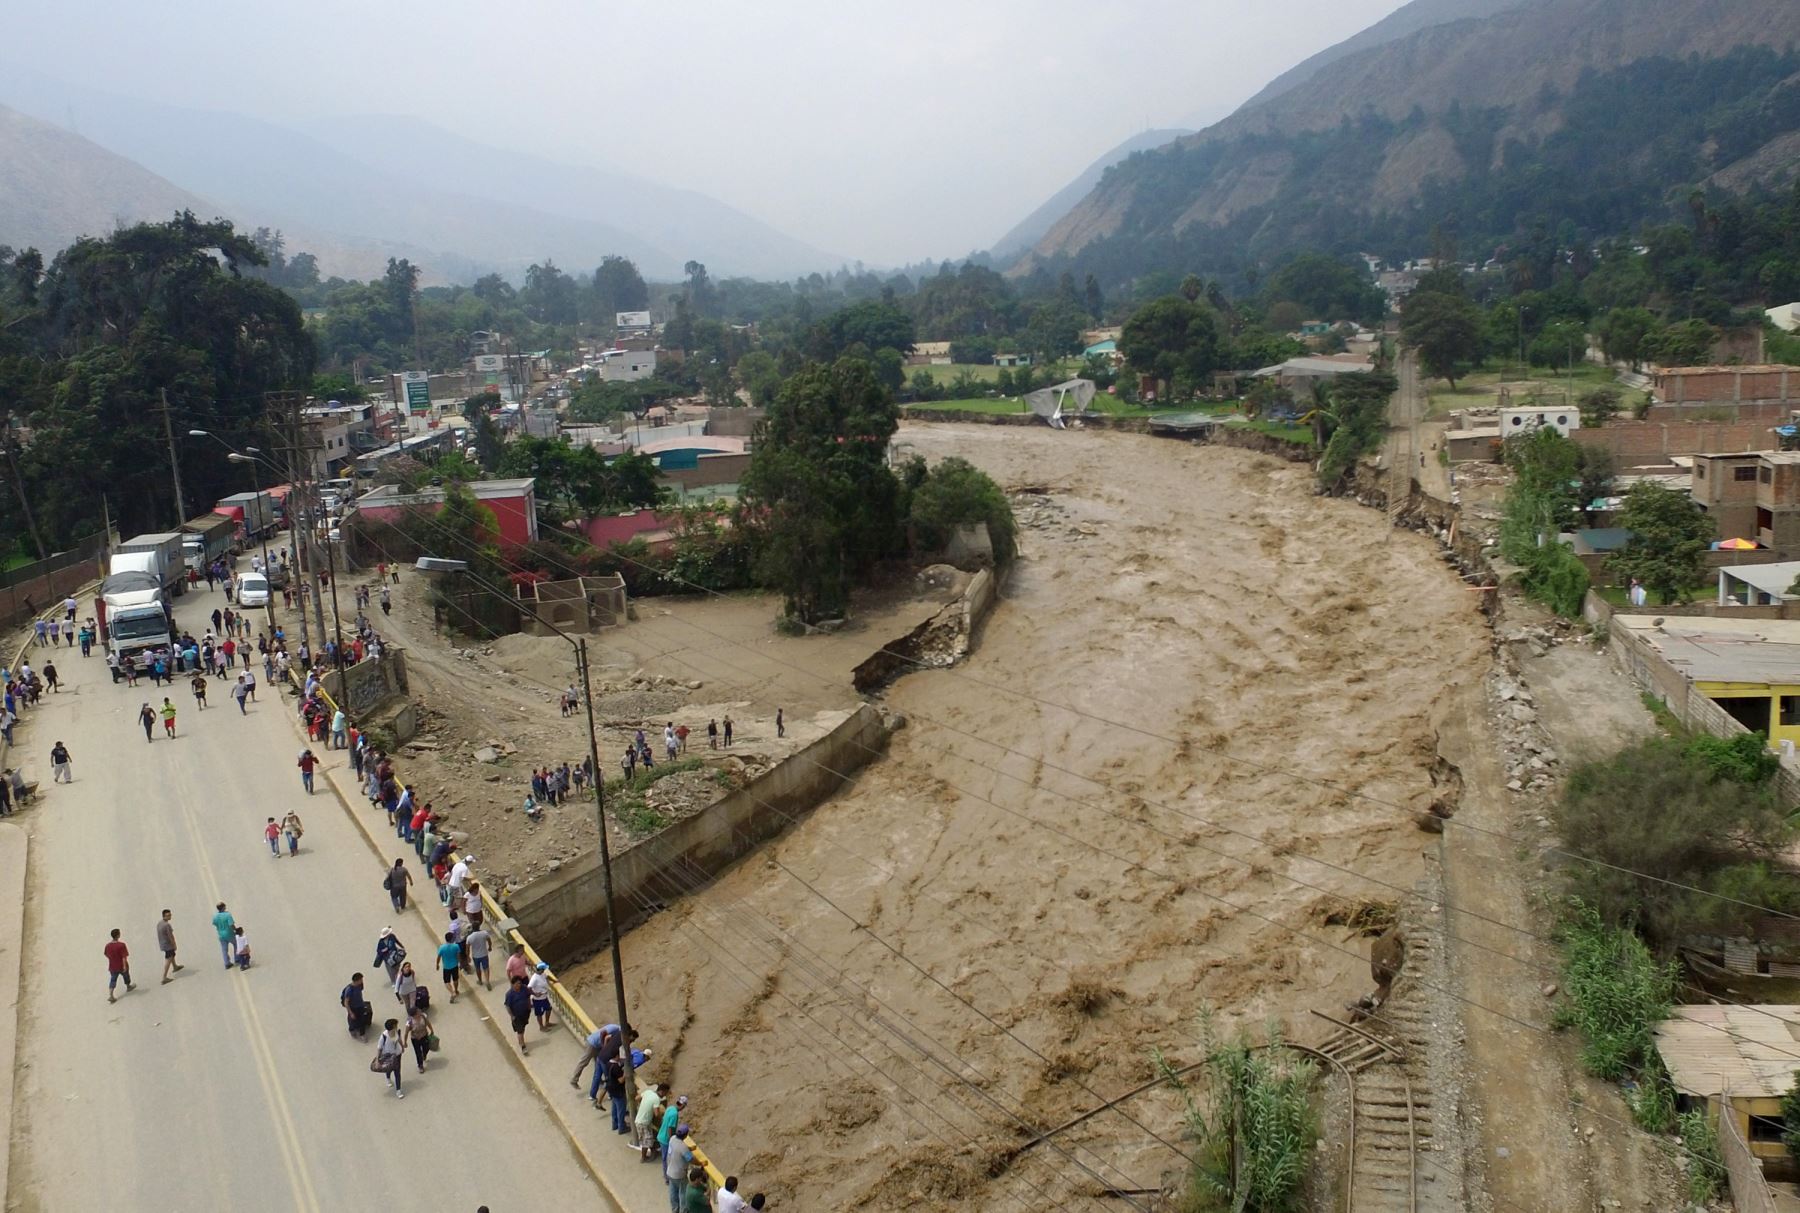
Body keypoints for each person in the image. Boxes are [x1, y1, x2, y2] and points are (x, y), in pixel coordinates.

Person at [634, 1082, 670, 1156]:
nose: (665, 1095)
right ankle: (643, 1157)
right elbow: (657, 1114)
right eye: (666, 1092)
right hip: (644, 1123)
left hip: (639, 1119)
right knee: (647, 1142)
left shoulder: (648, 1092)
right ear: (662, 1091)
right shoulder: (656, 1099)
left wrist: (645, 1104)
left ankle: (653, 1151)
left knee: (648, 1138)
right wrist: (664, 1118)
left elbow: (636, 1098)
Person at [664, 1125, 694, 1213]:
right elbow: (691, 1159)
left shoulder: (672, 1139)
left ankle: (675, 1210)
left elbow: (678, 1149)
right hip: (679, 1175)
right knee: (683, 1194)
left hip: (670, 1172)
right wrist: (701, 1163)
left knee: (673, 1193)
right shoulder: (683, 1147)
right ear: (686, 1135)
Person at [375, 1018, 406, 1098]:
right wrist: (377, 1060)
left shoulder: (397, 1031)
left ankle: (398, 1090)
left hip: (397, 1055)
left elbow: (399, 1039)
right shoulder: (384, 1036)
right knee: (388, 1069)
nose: (397, 1026)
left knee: (397, 1071)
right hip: (388, 1055)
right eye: (395, 1025)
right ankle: (388, 1078)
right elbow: (379, 1048)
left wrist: (402, 1047)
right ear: (392, 1027)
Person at [504, 975, 532, 1055]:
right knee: (520, 1030)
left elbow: (528, 996)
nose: (519, 985)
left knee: (522, 1028)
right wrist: (512, 1016)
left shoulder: (524, 988)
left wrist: (529, 1007)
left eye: (520, 983)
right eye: (517, 983)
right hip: (517, 1015)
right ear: (513, 984)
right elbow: (507, 1006)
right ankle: (523, 1046)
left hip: (525, 1012)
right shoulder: (509, 994)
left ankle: (521, 1041)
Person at [104, 928, 133, 1003]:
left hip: (112, 966)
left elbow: (106, 954)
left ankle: (111, 995)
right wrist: (124, 966)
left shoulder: (108, 946)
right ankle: (128, 986)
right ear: (118, 935)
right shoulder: (121, 945)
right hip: (121, 965)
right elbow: (124, 957)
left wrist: (112, 959)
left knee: (113, 980)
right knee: (126, 976)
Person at [602, 1054, 630, 1132]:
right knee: (621, 1109)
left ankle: (615, 1124)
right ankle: (622, 1127)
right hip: (618, 1090)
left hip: (612, 1089)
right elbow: (621, 1080)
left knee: (614, 1107)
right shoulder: (616, 1067)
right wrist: (625, 1074)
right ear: (616, 1056)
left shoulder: (608, 1064)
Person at [406, 1000, 434, 1074]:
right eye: (418, 1011)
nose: (419, 1011)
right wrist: (405, 1042)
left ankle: (424, 1055)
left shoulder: (423, 1016)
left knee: (426, 1047)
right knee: (418, 1052)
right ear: (414, 1015)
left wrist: (431, 1030)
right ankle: (420, 1065)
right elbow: (406, 1032)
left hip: (424, 1035)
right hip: (415, 1039)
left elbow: (428, 1023)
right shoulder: (410, 1022)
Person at [342, 973, 373, 1039]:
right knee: (352, 1020)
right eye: (361, 980)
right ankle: (351, 1030)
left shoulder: (360, 985)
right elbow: (346, 1003)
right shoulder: (349, 990)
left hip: (360, 1006)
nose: (362, 981)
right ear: (357, 980)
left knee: (362, 1020)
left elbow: (361, 990)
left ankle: (362, 1034)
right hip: (353, 1008)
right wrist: (351, 1013)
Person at [658, 1095, 689, 1159]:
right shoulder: (674, 1114)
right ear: (683, 1105)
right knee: (667, 1158)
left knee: (664, 1156)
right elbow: (670, 1128)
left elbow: (663, 1120)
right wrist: (672, 1141)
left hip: (661, 1135)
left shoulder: (670, 1108)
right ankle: (666, 1169)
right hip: (666, 1140)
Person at [156, 909, 182, 983]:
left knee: (171, 955)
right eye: (168, 915)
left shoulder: (159, 923)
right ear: (164, 916)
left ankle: (175, 966)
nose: (170, 916)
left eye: (170, 915)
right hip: (168, 944)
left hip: (162, 943)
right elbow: (170, 936)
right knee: (169, 959)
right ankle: (164, 977)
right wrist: (174, 944)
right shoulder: (167, 925)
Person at [465, 923, 492, 990]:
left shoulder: (470, 937)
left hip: (476, 956)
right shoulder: (484, 933)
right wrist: (490, 947)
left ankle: (480, 981)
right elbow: (489, 940)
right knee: (486, 968)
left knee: (478, 968)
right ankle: (487, 981)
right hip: (484, 954)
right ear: (479, 926)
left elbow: (467, 948)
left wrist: (468, 956)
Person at [438, 932, 462, 1004]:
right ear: (452, 939)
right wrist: (459, 963)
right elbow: (458, 956)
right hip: (454, 965)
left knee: (447, 981)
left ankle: (452, 992)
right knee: (455, 979)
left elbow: (439, 957)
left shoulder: (442, 947)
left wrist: (437, 964)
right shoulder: (456, 946)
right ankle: (456, 990)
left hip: (446, 966)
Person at [528, 961, 554, 1030]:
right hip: (538, 1000)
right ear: (541, 969)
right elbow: (529, 988)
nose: (544, 970)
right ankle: (541, 1026)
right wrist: (535, 994)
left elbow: (547, 977)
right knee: (539, 1013)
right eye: (544, 969)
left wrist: (554, 981)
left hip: (544, 997)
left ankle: (547, 1022)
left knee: (548, 1009)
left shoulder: (542, 974)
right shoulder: (534, 978)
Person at [212, 902, 236, 969]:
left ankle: (227, 963)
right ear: (223, 907)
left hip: (221, 935)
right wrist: (235, 930)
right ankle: (237, 958)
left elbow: (214, 923)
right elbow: (231, 924)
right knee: (236, 944)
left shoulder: (215, 916)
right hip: (229, 933)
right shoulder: (228, 915)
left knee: (224, 949)